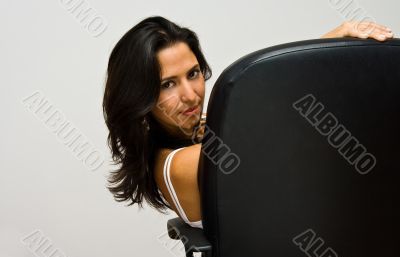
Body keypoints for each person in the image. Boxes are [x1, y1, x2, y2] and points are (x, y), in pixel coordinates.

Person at [102, 16, 394, 229]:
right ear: (140, 97)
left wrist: (336, 37)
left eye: (193, 74)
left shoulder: (200, 130)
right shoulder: (177, 166)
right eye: (167, 84)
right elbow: (273, 117)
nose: (190, 95)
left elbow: (267, 99)